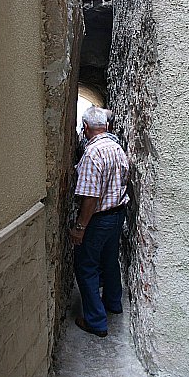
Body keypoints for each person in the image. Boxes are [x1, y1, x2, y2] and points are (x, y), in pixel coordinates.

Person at [70, 106, 129, 337]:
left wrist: (80, 227)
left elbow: (91, 196)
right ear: (105, 127)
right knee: (110, 260)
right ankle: (113, 303)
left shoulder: (93, 154)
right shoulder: (117, 148)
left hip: (98, 219)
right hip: (117, 213)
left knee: (85, 267)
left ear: (85, 128)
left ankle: (96, 321)